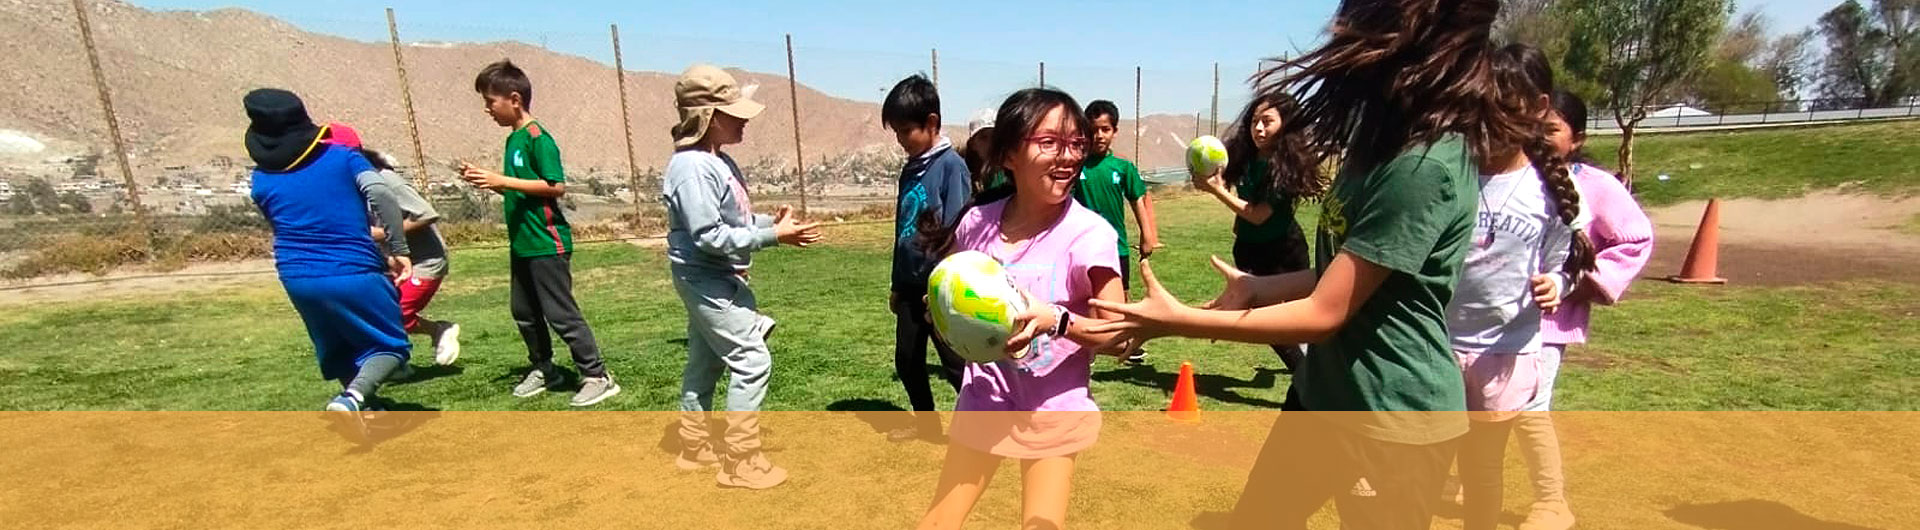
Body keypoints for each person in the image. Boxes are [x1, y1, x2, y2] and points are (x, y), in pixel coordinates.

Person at [1085, 0, 1538, 527]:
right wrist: (1260, 287)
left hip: (1390, 415)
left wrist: (1175, 321)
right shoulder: (1380, 149)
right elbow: (1346, 272)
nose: (1340, 34)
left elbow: (1326, 311)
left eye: (1358, 23)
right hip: (1324, 394)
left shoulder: (1424, 165)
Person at [914, 88, 1129, 530]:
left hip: (1052, 409)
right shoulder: (977, 223)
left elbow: (1119, 337)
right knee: (937, 523)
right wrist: (939, 309)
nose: (1067, 156)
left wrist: (1058, 320)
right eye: (1049, 142)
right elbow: (951, 295)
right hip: (985, 400)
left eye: (1075, 144)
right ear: (1009, 153)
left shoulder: (1090, 235)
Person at [1447, 43, 1596, 530]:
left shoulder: (1552, 188)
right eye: (1482, 105)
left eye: (1505, 106)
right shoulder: (1453, 172)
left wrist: (1557, 281)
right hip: (1438, 346)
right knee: (1423, 460)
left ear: (1538, 108)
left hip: (1505, 354)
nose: (1491, 119)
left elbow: (1570, 261)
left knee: (1482, 469)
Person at [662, 64, 822, 489]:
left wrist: (775, 222)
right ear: (708, 117)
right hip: (706, 278)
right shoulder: (692, 167)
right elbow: (709, 234)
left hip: (715, 277)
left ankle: (694, 446)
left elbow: (736, 218)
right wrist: (774, 236)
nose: (744, 119)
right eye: (734, 112)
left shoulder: (717, 160)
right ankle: (741, 462)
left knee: (705, 361)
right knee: (752, 361)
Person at [1516, 89, 1655, 530]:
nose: (1539, 136)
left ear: (1576, 139)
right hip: (1487, 322)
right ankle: (1468, 478)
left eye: (1551, 129)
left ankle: (1551, 502)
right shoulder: (1509, 176)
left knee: (1529, 410)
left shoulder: (1594, 185)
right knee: (1475, 404)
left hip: (1546, 326)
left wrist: (1579, 282)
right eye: (1533, 126)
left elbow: (1636, 240)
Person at [241, 89, 412, 426]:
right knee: (390, 348)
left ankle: (365, 412)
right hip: (352, 271)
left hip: (296, 277)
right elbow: (381, 193)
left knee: (338, 350)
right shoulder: (342, 157)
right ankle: (353, 398)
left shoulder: (260, 180)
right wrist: (399, 249)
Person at [461, 59, 620, 407]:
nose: (488, 109)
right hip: (523, 244)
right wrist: (490, 181)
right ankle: (545, 368)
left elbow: (555, 186)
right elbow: (523, 190)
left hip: (547, 243)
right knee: (524, 312)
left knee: (560, 313)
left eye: (491, 101)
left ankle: (596, 375)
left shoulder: (537, 138)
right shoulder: (513, 140)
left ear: (514, 99)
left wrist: (501, 180)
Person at [1190, 93, 1325, 372]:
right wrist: (1204, 174)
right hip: (1250, 251)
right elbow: (1220, 174)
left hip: (1286, 249)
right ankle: (1305, 373)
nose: (1259, 129)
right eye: (1254, 122)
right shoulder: (1242, 154)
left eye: (1267, 121)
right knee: (1269, 321)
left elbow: (1258, 215)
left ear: (1285, 125)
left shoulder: (1285, 168)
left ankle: (1317, 370)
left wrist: (1216, 191)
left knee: (1305, 317)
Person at [322, 123, 462, 367]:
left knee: (396, 317)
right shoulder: (349, 186)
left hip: (425, 262)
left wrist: (381, 234)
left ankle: (438, 331)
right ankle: (398, 363)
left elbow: (426, 214)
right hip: (391, 263)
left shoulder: (385, 180)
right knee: (374, 314)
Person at [883, 74, 973, 442]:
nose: (902, 140)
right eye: (898, 133)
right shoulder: (910, 168)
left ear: (932, 123)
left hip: (938, 287)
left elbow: (959, 229)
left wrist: (942, 285)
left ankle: (988, 425)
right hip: (907, 284)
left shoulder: (951, 167)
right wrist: (896, 284)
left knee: (956, 365)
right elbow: (901, 229)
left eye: (906, 131)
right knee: (906, 359)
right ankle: (926, 426)